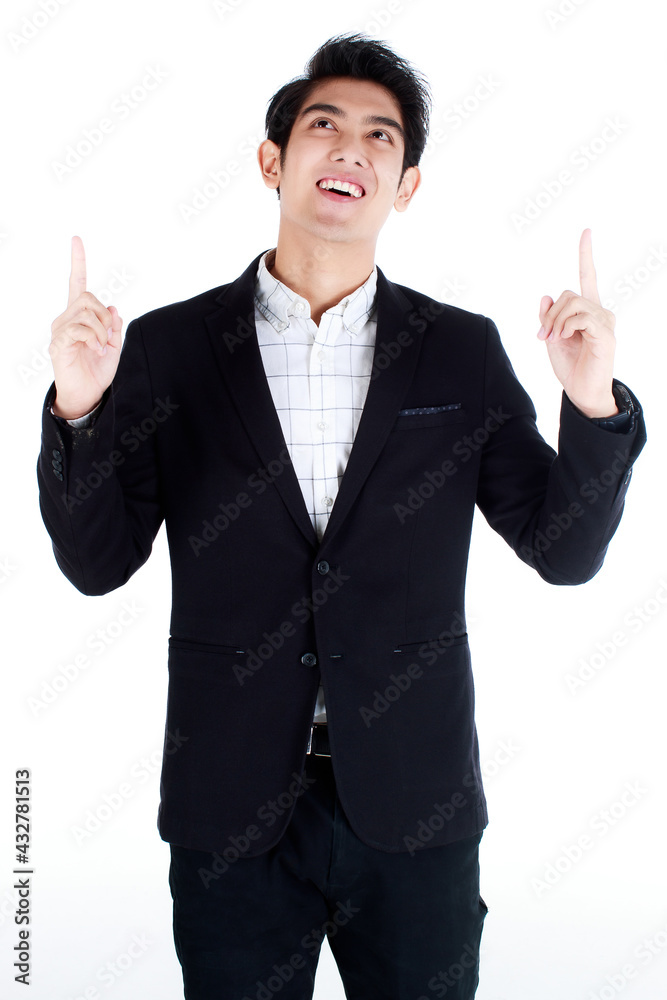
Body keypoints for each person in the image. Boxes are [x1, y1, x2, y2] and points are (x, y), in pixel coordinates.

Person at [37, 32, 646, 1000]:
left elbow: (563, 553)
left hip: (416, 805)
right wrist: (79, 408)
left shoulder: (457, 350)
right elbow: (96, 562)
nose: (351, 149)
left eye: (380, 137)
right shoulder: (166, 349)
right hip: (230, 808)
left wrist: (592, 404)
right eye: (324, 126)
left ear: (406, 186)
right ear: (271, 160)